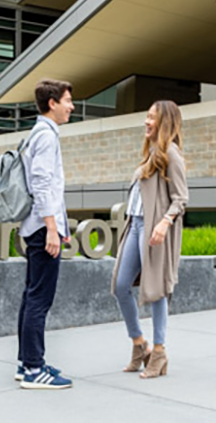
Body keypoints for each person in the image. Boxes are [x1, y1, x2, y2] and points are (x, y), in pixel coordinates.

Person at [112, 100, 188, 378]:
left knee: (156, 290)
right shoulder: (151, 153)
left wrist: (164, 222)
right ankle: (139, 344)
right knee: (121, 285)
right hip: (135, 225)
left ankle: (158, 351)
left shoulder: (172, 154)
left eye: (152, 118)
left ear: (164, 122)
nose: (146, 121)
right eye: (146, 116)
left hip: (155, 229)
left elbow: (181, 199)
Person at [16, 78, 74, 390]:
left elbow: (50, 187)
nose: (71, 106)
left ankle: (27, 362)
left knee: (31, 296)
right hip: (41, 228)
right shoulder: (46, 136)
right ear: (52, 103)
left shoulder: (37, 133)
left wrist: (60, 227)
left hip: (38, 226)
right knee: (39, 298)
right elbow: (41, 183)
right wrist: (53, 228)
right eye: (67, 100)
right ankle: (35, 369)